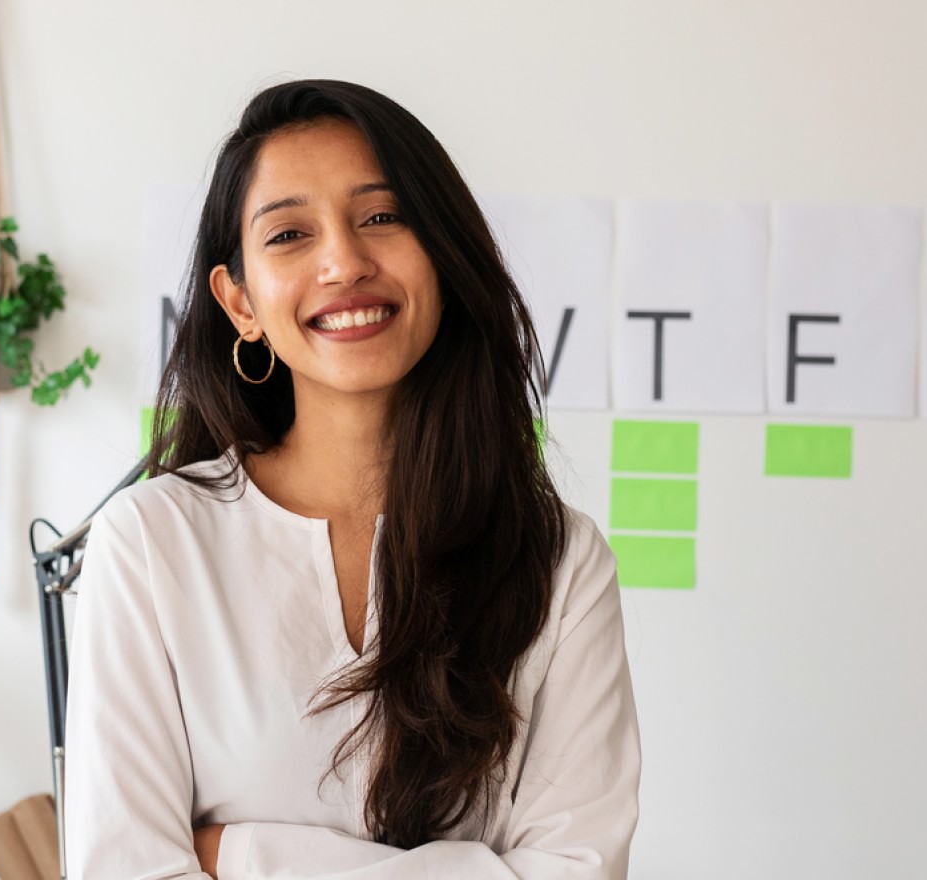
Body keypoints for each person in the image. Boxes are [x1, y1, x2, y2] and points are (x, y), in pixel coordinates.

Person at [64, 79, 641, 879]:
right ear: (240, 304)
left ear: (442, 252)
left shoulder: (558, 559)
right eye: (290, 234)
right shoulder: (151, 543)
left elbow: (578, 869)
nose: (344, 261)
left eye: (381, 216)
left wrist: (243, 854)